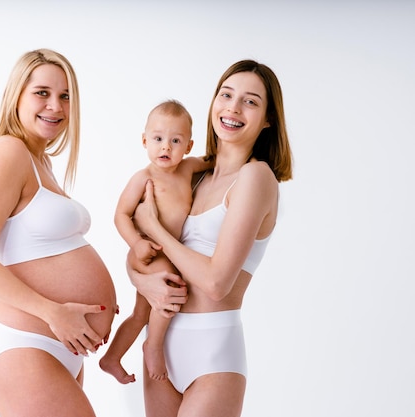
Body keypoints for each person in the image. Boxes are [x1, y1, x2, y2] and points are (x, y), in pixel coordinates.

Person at [0, 49, 117, 417]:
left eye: (65, 96)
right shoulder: (8, 152)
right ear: (17, 96)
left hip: (59, 351)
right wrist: (54, 312)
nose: (55, 106)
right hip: (28, 349)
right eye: (42, 93)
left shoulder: (40, 161)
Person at [127, 59, 293, 417]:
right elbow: (149, 257)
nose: (233, 107)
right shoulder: (191, 175)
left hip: (212, 352)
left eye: (250, 101)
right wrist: (140, 278)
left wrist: (154, 229)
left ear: (268, 120)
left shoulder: (256, 177)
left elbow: (217, 283)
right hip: (160, 345)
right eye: (226, 95)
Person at [99, 100, 209, 384]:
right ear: (144, 140)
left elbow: (214, 160)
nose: (166, 147)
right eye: (158, 139)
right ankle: (154, 345)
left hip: (166, 252)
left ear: (188, 145)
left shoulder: (187, 169)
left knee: (140, 313)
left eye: (175, 141)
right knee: (171, 284)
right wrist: (136, 242)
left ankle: (111, 358)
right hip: (147, 251)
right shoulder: (143, 177)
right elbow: (121, 214)